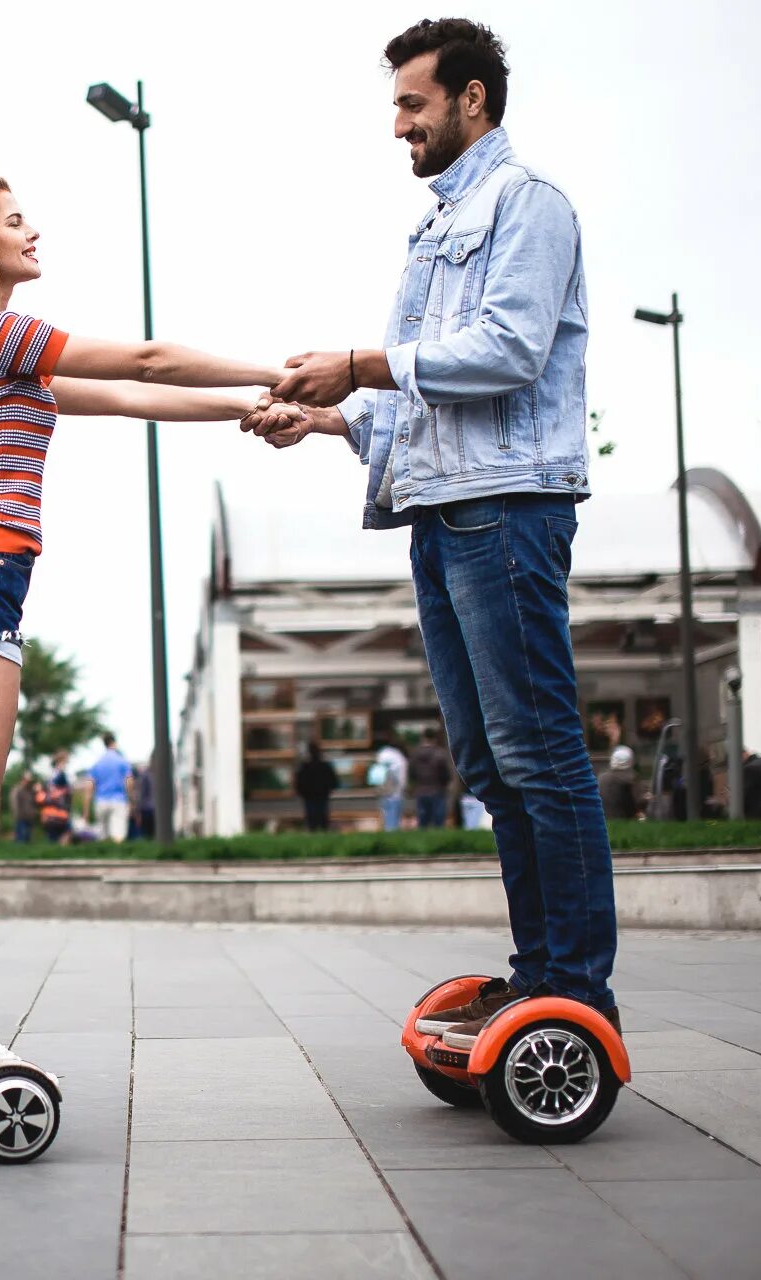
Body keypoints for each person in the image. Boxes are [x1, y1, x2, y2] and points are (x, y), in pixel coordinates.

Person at [0, 160, 299, 1096]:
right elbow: (147, 359)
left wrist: (246, 410)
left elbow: (131, 396)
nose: (35, 233)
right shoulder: (0, 332)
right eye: (16, 219)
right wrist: (280, 368)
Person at [253, 18, 620, 1042]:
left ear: (473, 100)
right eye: (397, 105)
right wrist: (326, 415)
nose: (399, 125)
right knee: (493, 764)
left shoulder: (527, 204)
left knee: (540, 751)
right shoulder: (436, 225)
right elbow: (425, 386)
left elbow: (505, 351)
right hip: (444, 504)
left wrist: (361, 366)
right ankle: (540, 973)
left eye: (414, 103)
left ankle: (579, 995)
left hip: (509, 504)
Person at [85, 733, 133, 843]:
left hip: (100, 801)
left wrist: (86, 809)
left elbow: (89, 786)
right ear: (114, 742)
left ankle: (103, 855)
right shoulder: (122, 761)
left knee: (102, 835)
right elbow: (129, 782)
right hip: (119, 800)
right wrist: (131, 800)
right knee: (118, 834)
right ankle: (118, 856)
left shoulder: (97, 763)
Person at [410, 727, 452, 828]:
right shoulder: (440, 753)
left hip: (421, 790)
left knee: (422, 822)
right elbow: (445, 774)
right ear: (435, 738)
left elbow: (411, 773)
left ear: (423, 738)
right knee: (439, 823)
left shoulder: (415, 754)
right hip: (437, 790)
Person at [293, 741, 338, 832]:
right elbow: (333, 781)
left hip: (311, 797)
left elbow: (299, 783)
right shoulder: (324, 766)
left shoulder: (304, 767)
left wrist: (301, 792)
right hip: (320, 796)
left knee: (312, 820)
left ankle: (315, 833)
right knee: (321, 819)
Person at [597, 745, 647, 821]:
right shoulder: (630, 778)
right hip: (622, 818)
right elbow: (639, 802)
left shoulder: (601, 777)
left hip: (602, 819)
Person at [39, 750, 75, 845]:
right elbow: (61, 792)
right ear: (61, 761)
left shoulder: (51, 774)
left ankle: (54, 853)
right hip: (59, 809)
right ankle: (60, 853)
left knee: (53, 836)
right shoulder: (60, 775)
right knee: (66, 832)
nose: (67, 763)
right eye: (66, 761)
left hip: (52, 810)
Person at [372, 740, 409, 832]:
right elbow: (402, 777)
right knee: (394, 818)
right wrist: (403, 788)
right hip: (395, 793)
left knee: (385, 814)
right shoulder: (399, 757)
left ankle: (387, 832)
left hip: (383, 791)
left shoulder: (381, 754)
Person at [8, 770, 38, 844]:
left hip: (30, 817)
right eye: (27, 780)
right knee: (21, 839)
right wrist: (16, 814)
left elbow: (34, 802)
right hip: (21, 817)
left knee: (28, 839)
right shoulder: (17, 789)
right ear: (23, 779)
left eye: (30, 780)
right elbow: (13, 803)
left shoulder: (30, 790)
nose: (29, 782)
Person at [136, 752, 157, 840]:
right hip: (148, 810)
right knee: (148, 836)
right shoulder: (146, 775)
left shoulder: (146, 775)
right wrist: (138, 811)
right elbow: (140, 794)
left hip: (151, 809)